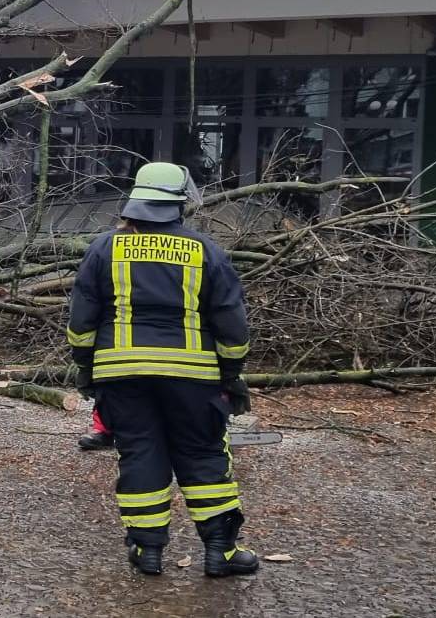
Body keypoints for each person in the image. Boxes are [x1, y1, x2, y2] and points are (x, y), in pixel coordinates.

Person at [69, 162, 258, 578]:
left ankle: (147, 549)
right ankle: (221, 552)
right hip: (193, 378)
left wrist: (86, 367)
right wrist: (231, 373)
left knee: (140, 452)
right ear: (179, 204)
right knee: (203, 454)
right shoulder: (205, 250)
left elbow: (82, 320)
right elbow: (231, 323)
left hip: (122, 374)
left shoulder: (104, 248)